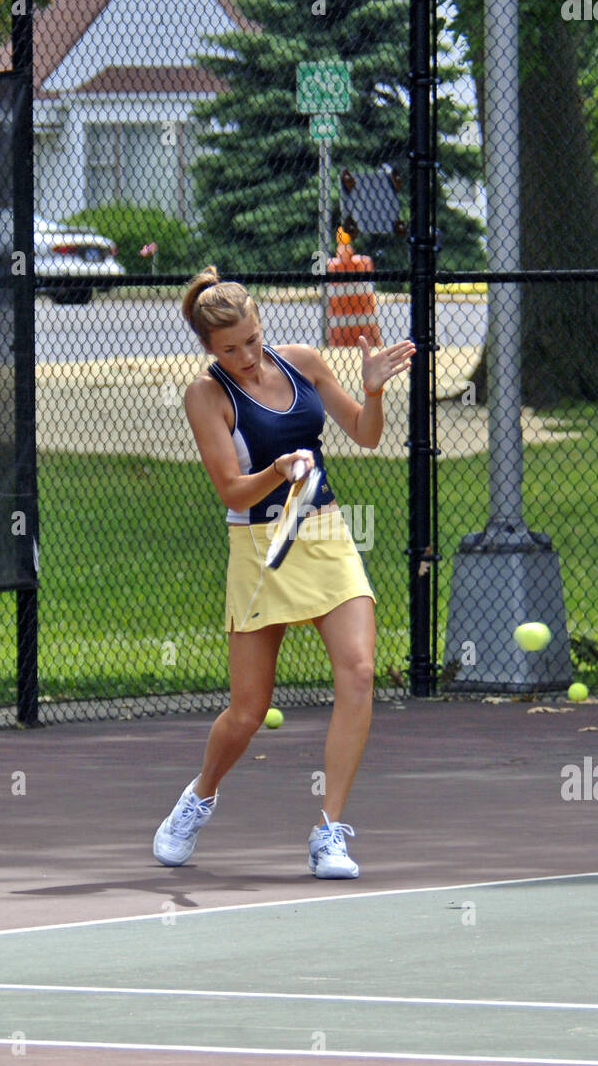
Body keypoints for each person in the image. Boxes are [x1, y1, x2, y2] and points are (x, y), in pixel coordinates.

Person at [153, 266, 415, 878]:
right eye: (228, 349)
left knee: (358, 671)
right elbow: (232, 489)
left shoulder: (302, 361)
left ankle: (329, 832)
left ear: (259, 324)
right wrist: (279, 468)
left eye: (249, 339)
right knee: (247, 712)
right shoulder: (206, 395)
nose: (244, 356)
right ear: (208, 349)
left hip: (323, 533)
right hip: (259, 549)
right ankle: (199, 796)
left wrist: (372, 390)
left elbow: (367, 435)